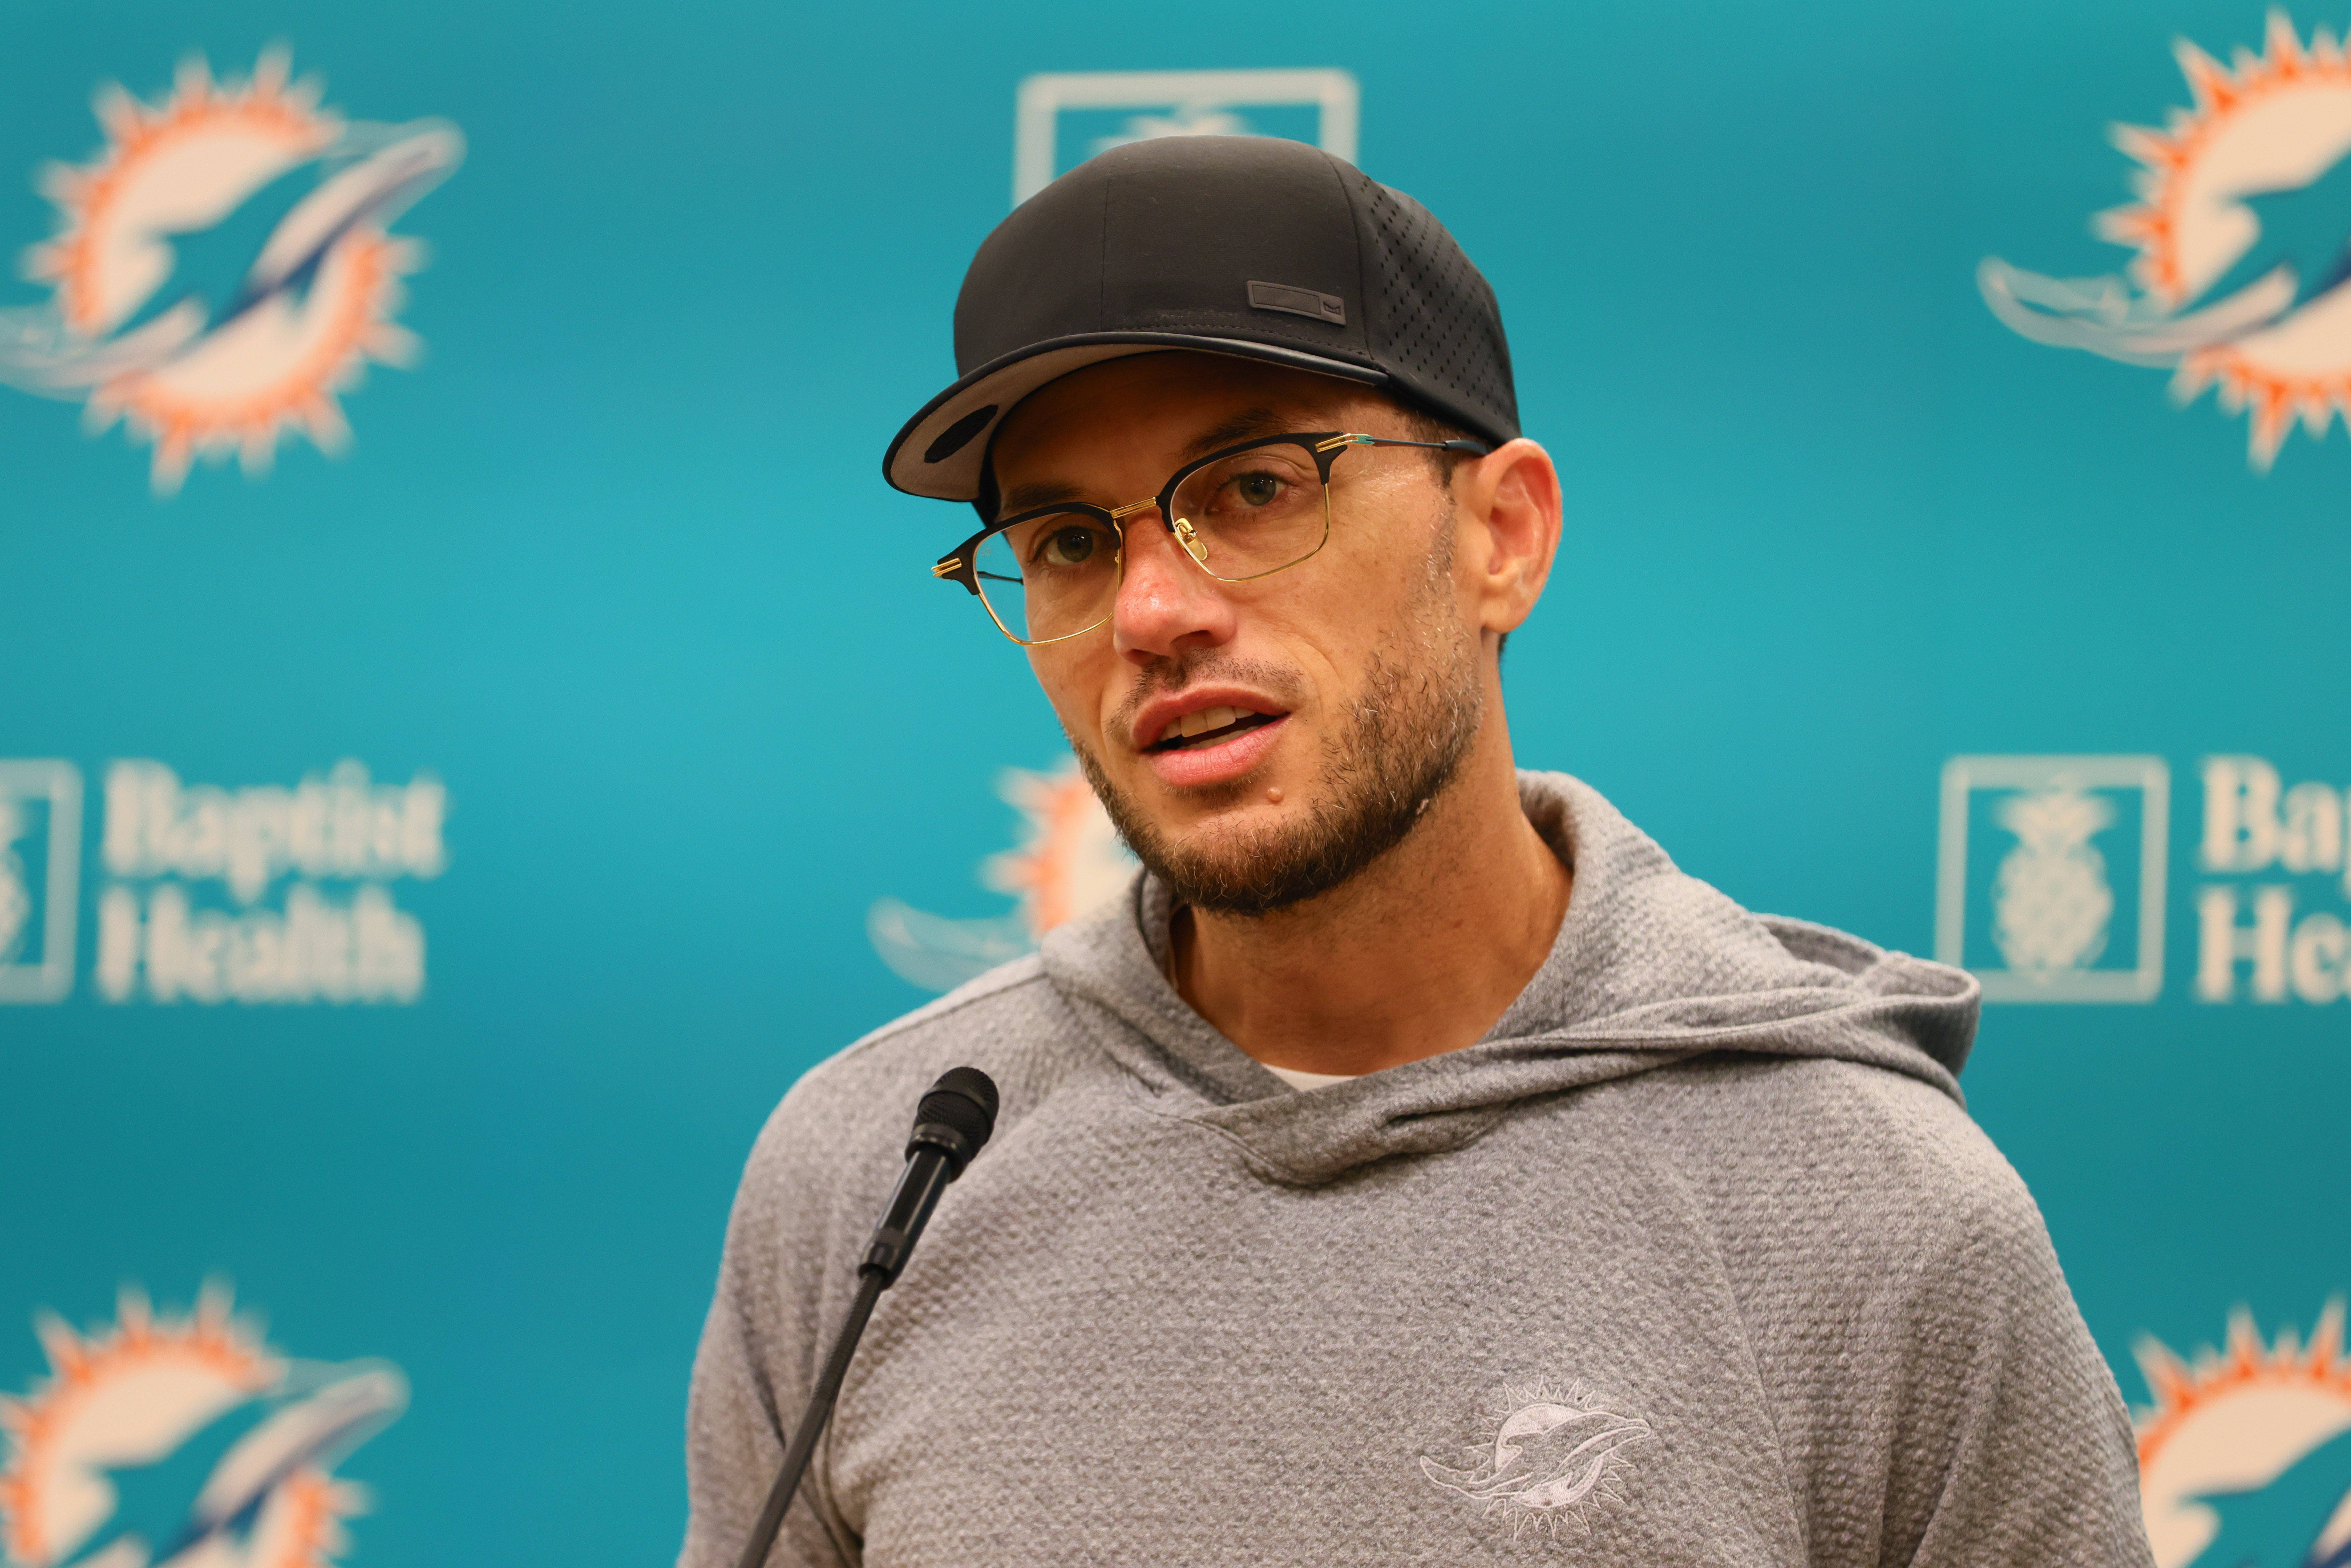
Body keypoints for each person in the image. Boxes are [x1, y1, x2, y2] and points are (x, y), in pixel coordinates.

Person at [681, 136, 2153, 1566]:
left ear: (1501, 535)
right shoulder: (876, 1174)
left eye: (1254, 487)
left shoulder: (1880, 1215)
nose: (1150, 612)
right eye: (1069, 538)